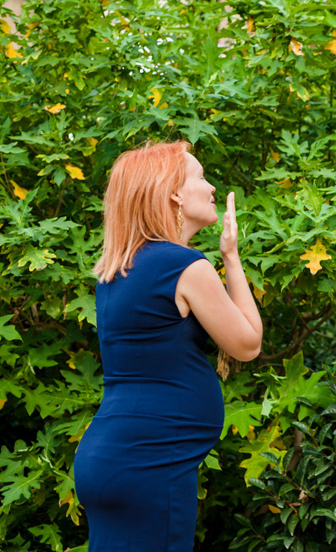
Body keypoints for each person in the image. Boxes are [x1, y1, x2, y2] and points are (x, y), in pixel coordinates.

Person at [74, 141, 264, 551]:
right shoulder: (183, 266)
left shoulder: (117, 269)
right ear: (175, 192)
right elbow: (247, 344)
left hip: (108, 459)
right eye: (199, 176)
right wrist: (231, 258)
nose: (211, 187)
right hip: (151, 467)